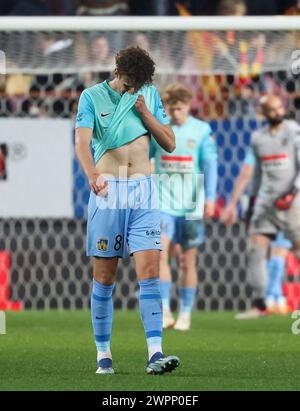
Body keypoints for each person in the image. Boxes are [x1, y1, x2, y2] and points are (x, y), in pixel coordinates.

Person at [75, 46, 180, 375]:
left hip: (144, 191)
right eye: (131, 82)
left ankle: (155, 354)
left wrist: (147, 114)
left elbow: (169, 142)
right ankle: (103, 356)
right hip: (109, 189)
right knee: (105, 278)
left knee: (149, 274)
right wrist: (92, 174)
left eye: (141, 83)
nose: (136, 88)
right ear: (117, 72)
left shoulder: (148, 95)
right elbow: (81, 142)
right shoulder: (91, 97)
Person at [222, 95, 300, 319]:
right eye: (272, 109)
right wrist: (251, 204)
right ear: (264, 114)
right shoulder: (258, 138)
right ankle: (260, 304)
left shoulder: (293, 131)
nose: (278, 112)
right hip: (266, 203)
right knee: (256, 248)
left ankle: (273, 299)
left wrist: (293, 193)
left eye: (279, 107)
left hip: (292, 203)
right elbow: (255, 175)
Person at [150, 84, 218, 330]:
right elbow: (147, 158)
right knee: (160, 256)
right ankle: (166, 310)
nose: (175, 113)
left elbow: (210, 166)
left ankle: (186, 313)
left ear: (188, 107)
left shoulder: (201, 131)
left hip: (191, 206)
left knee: (188, 262)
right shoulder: (159, 130)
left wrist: (210, 198)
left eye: (179, 109)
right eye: (171, 108)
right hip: (162, 204)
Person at [221, 148, 291, 316]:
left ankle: (268, 299)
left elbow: (246, 173)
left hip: (263, 202)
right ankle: (277, 299)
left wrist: (232, 203)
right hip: (288, 202)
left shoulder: (259, 143)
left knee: (263, 252)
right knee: (279, 251)